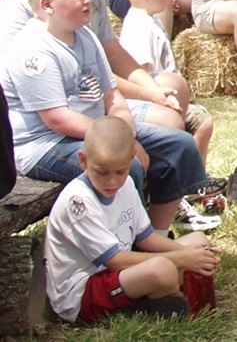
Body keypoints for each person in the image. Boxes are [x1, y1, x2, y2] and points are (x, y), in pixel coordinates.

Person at [1, 0, 211, 234]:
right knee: (125, 165)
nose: (88, 2)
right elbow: (58, 119)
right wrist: (121, 143)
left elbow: (112, 95)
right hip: (45, 145)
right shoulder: (33, 50)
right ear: (47, 5)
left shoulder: (85, 36)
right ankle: (125, 241)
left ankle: (156, 235)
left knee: (180, 145)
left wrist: (127, 134)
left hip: (94, 129)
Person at [44, 117, 220, 324]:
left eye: (120, 171)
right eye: (102, 172)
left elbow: (146, 238)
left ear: (132, 160)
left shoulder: (125, 184)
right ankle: (157, 305)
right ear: (83, 160)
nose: (111, 181)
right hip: (82, 291)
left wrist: (191, 254)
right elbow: (114, 260)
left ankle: (159, 299)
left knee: (198, 241)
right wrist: (182, 259)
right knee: (163, 269)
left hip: (118, 273)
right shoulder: (78, 202)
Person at [118, 0, 215, 171]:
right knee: (196, 121)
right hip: (151, 103)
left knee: (203, 121)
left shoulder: (149, 21)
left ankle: (195, 177)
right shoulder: (138, 27)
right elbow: (142, 74)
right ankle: (184, 176)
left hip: (166, 99)